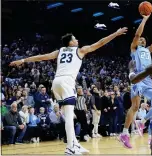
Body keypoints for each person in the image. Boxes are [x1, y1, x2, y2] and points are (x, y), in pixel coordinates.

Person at [9, 27, 128, 155]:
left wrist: (23, 60)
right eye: (74, 39)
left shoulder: (59, 51)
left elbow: (41, 57)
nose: (77, 40)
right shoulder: (80, 50)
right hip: (67, 82)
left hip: (56, 83)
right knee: (70, 117)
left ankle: (75, 144)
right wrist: (116, 33)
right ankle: (70, 148)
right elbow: (100, 43)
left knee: (70, 114)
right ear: (70, 43)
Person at [119, 12, 152, 148]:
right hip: (138, 77)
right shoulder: (134, 49)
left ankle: (142, 121)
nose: (141, 40)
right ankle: (124, 133)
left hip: (148, 80)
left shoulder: (148, 50)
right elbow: (137, 35)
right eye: (140, 39)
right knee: (135, 106)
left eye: (144, 39)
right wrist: (144, 20)